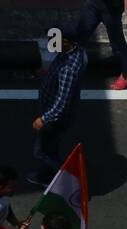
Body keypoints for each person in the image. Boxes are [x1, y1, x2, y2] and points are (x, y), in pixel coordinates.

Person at [31, 30, 87, 187]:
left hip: (55, 118)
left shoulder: (68, 69)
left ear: (67, 42)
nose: (51, 45)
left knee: (41, 151)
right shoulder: (72, 51)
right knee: (52, 147)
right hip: (53, 111)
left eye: (55, 42)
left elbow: (62, 102)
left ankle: (66, 179)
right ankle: (50, 174)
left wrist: (43, 119)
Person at [75, 0, 127, 91]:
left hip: (112, 9)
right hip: (93, 4)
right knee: (80, 34)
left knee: (117, 43)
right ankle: (65, 66)